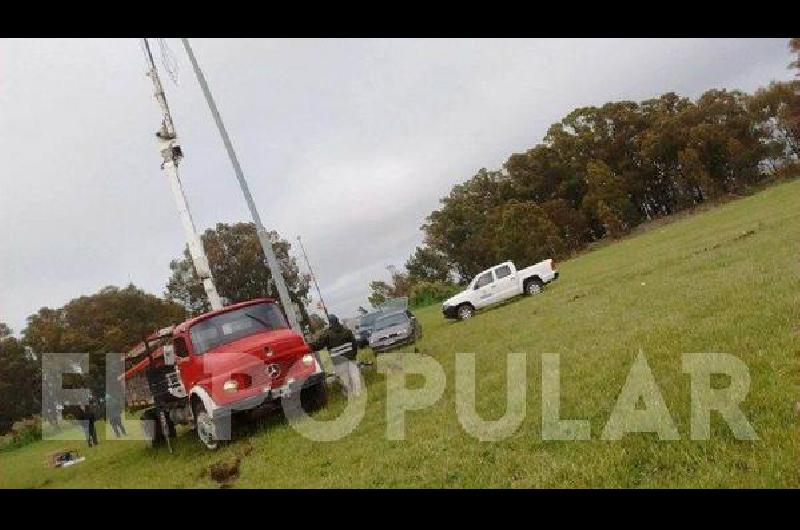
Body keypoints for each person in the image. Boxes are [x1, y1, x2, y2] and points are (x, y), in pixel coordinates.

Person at [310, 314, 363, 396]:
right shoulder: (347, 331)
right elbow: (354, 344)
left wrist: (308, 346)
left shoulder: (327, 334)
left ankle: (350, 395)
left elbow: (318, 346)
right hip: (350, 358)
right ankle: (358, 393)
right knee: (354, 376)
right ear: (337, 320)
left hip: (338, 361)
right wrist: (353, 356)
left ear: (330, 323)